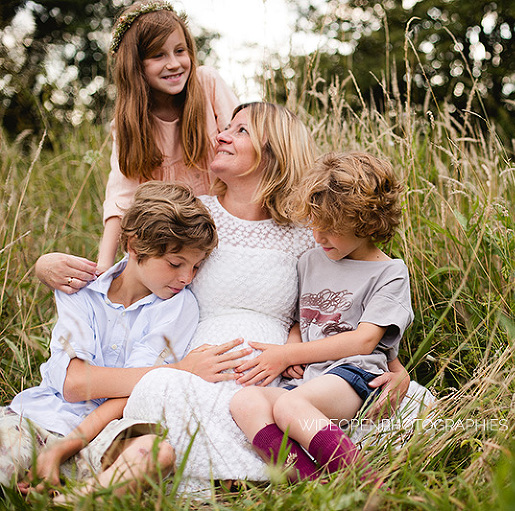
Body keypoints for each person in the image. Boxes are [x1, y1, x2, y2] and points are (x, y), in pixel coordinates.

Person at [121, 103, 415, 496]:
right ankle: (299, 481)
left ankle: (328, 480)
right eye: (225, 127)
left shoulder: (311, 231)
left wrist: (395, 367)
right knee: (173, 393)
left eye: (240, 130)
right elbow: (139, 262)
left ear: (273, 151)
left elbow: (346, 311)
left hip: (289, 370)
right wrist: (53, 267)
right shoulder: (199, 214)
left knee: (279, 406)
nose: (221, 135)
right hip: (208, 363)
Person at [0, 182, 244, 496]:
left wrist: (60, 450)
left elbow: (132, 394)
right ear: (133, 245)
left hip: (108, 432)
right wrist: (182, 369)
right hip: (38, 418)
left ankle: (71, 501)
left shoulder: (178, 306)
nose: (187, 278)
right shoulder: (80, 292)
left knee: (157, 453)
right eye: (175, 263)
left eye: (196, 266)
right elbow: (75, 384)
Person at [229, 151, 412, 483]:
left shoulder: (389, 273)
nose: (317, 236)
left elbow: (367, 340)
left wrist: (288, 354)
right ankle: (313, 484)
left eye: (331, 229)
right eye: (315, 225)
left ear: (367, 222)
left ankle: (363, 481)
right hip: (310, 378)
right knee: (245, 402)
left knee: (288, 407)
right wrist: (292, 347)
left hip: (355, 377)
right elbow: (302, 319)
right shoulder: (311, 261)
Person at [34, 0, 238, 293]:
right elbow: (121, 195)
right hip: (170, 244)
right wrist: (103, 267)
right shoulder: (129, 120)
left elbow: (245, 146)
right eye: (158, 55)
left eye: (180, 51)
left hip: (220, 234)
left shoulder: (207, 84)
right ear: (135, 64)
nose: (174, 63)